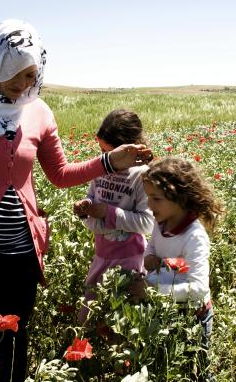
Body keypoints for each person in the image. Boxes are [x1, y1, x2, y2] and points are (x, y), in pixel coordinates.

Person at [0, 19, 151, 382]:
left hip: (20, 252)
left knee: (14, 347)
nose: (23, 85)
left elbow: (60, 174)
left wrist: (111, 161)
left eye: (31, 75)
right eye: (14, 75)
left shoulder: (38, 111)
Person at [138, 156, 224, 377]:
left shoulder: (194, 237)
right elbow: (152, 247)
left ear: (180, 198)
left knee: (197, 370)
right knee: (170, 366)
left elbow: (198, 290)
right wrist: (149, 257)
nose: (149, 205)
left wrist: (151, 291)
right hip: (168, 311)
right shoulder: (161, 223)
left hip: (194, 316)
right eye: (148, 197)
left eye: (155, 198)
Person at [72, 109, 155, 321]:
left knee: (121, 322)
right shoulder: (102, 167)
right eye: (102, 152)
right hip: (101, 256)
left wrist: (107, 213)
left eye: (111, 154)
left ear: (130, 149)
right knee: (88, 319)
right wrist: (86, 207)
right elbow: (92, 196)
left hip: (129, 261)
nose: (107, 159)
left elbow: (147, 223)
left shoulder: (141, 176)